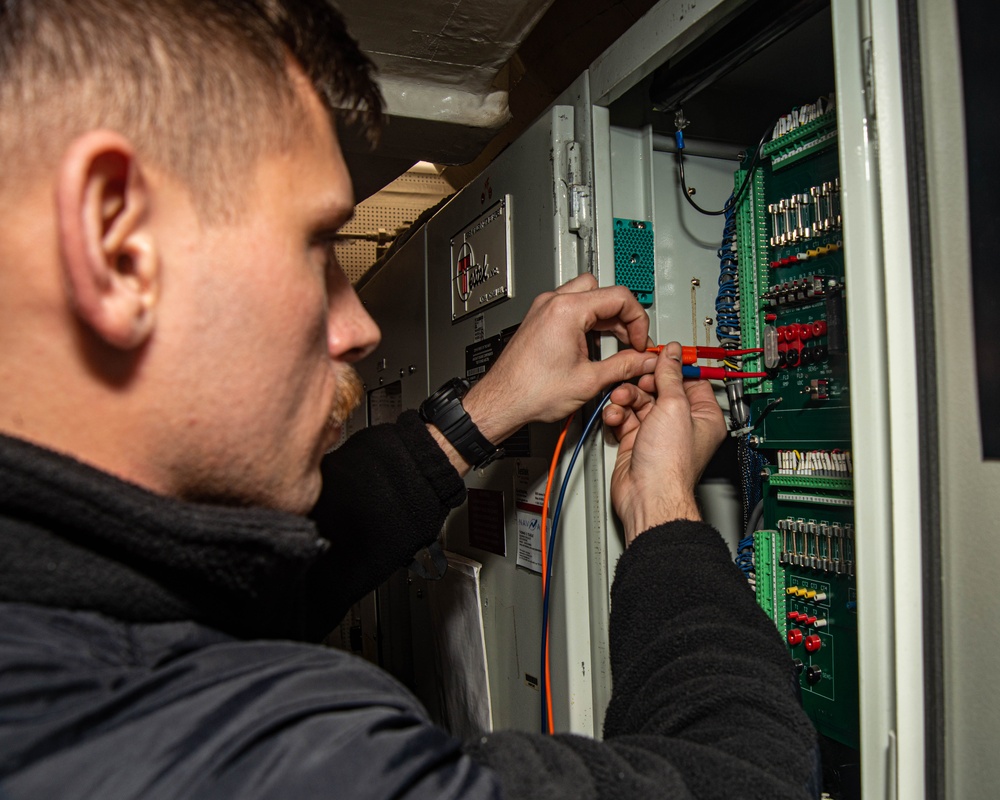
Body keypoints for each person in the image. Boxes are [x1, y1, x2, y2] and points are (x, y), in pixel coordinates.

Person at [0, 1, 820, 798]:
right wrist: (661, 511)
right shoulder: (264, 759)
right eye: (318, 245)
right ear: (118, 242)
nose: (357, 326)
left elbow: (274, 574)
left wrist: (483, 412)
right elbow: (750, 777)